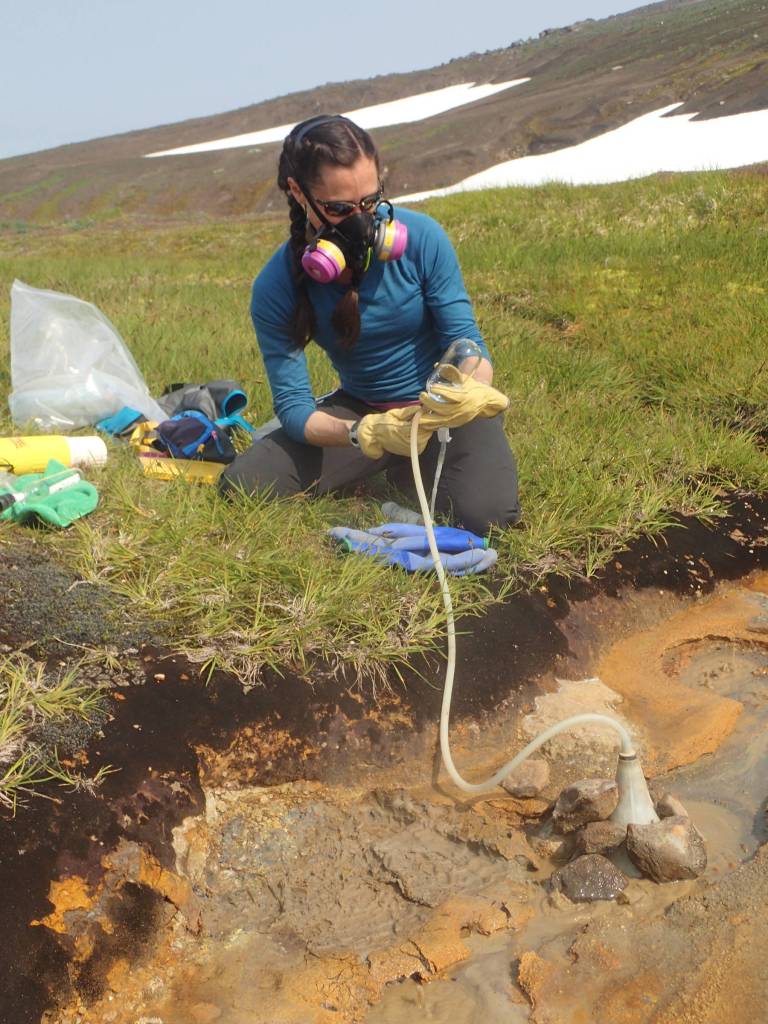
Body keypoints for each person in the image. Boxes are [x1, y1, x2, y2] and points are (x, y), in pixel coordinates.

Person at [219, 114, 520, 536]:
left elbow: (468, 344)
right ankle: (389, 460)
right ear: (298, 193)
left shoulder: (424, 239)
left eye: (371, 201)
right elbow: (294, 411)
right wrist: (364, 433)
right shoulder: (276, 285)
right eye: (340, 209)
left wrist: (468, 390)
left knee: (487, 518)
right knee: (244, 484)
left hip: (441, 411)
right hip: (367, 418)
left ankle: (413, 464)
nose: (362, 221)